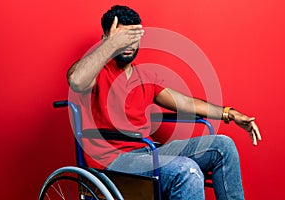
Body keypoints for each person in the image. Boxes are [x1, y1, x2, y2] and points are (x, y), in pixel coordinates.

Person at [67, 5, 262, 200]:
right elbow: (76, 81)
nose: (128, 45)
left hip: (146, 151)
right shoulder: (95, 72)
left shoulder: (145, 77)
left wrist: (230, 113)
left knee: (223, 146)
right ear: (105, 40)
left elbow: (186, 103)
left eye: (132, 38)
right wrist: (110, 45)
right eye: (122, 38)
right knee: (187, 170)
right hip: (113, 161)